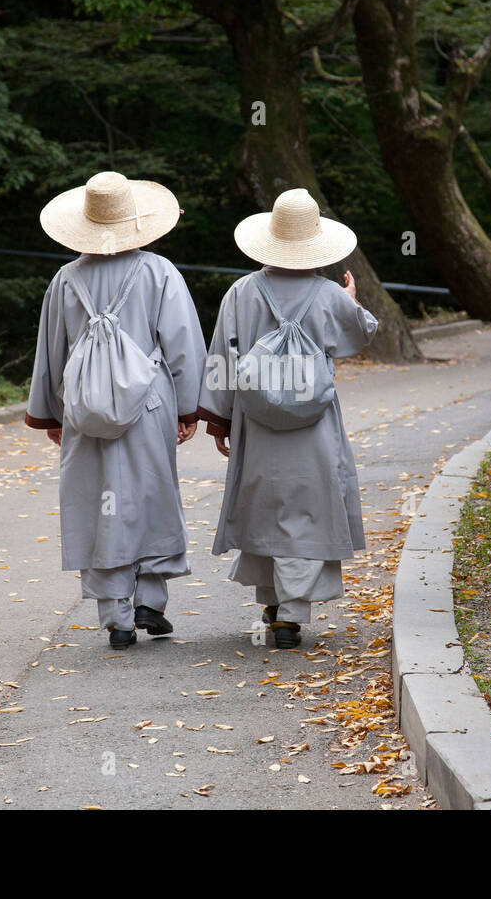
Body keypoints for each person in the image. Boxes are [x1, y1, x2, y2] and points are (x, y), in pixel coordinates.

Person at [25, 171, 206, 650]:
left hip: (86, 405)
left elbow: (52, 353)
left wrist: (53, 414)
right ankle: (150, 598)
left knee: (98, 499)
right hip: (148, 402)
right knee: (150, 492)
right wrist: (189, 407)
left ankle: (116, 617)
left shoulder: (66, 279)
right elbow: (184, 344)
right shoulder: (158, 271)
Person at [197, 189, 378, 649]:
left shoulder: (241, 292)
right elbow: (363, 333)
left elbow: (220, 356)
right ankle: (292, 615)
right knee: (308, 508)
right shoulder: (327, 295)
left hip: (256, 425)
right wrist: (350, 299)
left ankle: (274, 601)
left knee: (266, 507)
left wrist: (220, 421)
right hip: (314, 426)